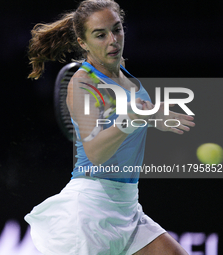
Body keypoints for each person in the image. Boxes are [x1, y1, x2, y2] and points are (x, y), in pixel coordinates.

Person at [25, 0, 195, 254]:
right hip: (91, 210)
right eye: (100, 35)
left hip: (127, 205)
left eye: (117, 29)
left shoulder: (122, 73)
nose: (113, 40)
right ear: (83, 42)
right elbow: (95, 153)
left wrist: (155, 117)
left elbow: (130, 114)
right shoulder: (82, 83)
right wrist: (134, 119)